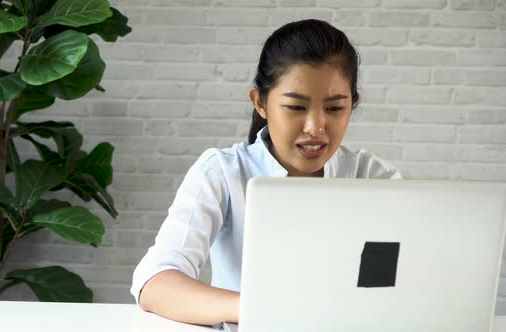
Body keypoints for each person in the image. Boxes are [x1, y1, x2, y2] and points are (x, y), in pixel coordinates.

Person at [130, 19, 401, 326]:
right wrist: (261, 307)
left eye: (335, 108)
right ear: (260, 102)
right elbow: (155, 283)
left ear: (353, 104)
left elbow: (389, 288)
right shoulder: (223, 172)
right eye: (296, 108)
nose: (315, 128)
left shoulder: (375, 179)